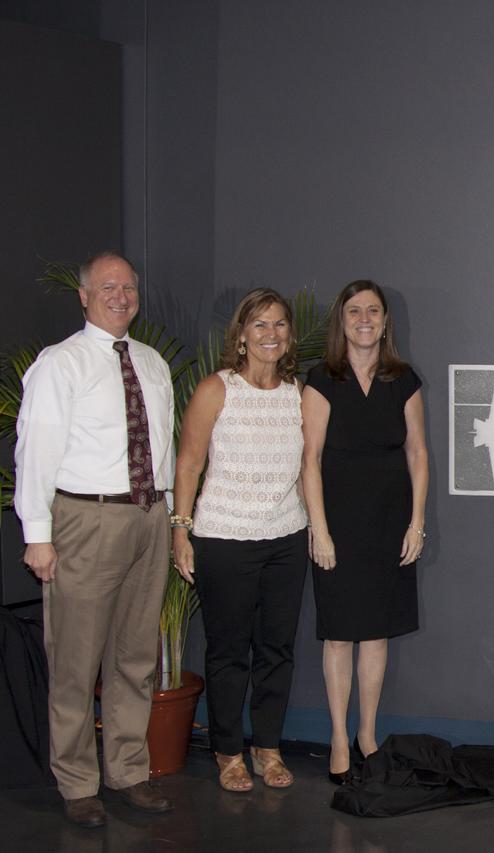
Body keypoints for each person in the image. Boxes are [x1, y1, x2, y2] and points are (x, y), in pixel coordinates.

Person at [14, 251, 176, 827]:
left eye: (128, 287)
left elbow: (164, 449)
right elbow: (35, 452)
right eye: (107, 287)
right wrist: (39, 536)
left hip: (149, 519)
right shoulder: (60, 364)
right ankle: (78, 781)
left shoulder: (153, 363)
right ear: (83, 295)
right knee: (77, 662)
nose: (120, 296)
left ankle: (128, 771)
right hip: (87, 521)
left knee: (134, 658)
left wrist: (172, 516)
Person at [171, 288, 309, 792]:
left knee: (277, 649)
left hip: (286, 540)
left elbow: (305, 470)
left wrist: (315, 528)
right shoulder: (217, 389)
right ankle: (228, 753)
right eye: (259, 325)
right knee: (229, 652)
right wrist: (180, 531)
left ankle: (267, 750)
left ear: (288, 336)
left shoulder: (299, 394)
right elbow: (188, 463)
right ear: (242, 336)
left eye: (278, 325)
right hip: (224, 538)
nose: (270, 334)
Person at [301, 280, 429, 784]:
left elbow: (418, 453)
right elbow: (309, 460)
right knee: (339, 636)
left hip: (389, 522)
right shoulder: (321, 378)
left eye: (372, 311)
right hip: (338, 522)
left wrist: (417, 522)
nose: (364, 319)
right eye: (354, 311)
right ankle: (337, 737)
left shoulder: (404, 379)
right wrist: (320, 530)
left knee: (375, 633)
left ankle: (368, 734)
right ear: (342, 320)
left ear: (384, 321)